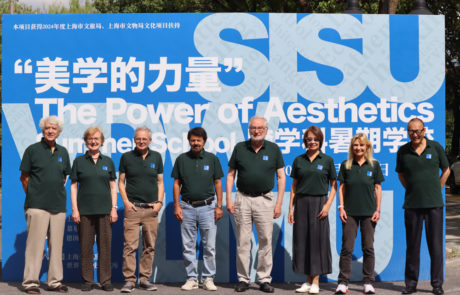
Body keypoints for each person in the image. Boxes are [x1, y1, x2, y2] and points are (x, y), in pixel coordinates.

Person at [226, 116, 286, 293]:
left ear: (266, 130)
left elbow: (281, 177)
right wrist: (229, 199)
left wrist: (279, 203)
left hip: (265, 200)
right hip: (242, 199)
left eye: (260, 128)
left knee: (265, 240)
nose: (256, 131)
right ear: (249, 129)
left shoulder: (273, 149)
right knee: (243, 242)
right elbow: (230, 175)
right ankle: (243, 279)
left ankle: (263, 279)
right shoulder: (240, 148)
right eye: (253, 128)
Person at [396, 118, 450, 295]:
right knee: (412, 246)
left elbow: (447, 170)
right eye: (411, 131)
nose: (415, 134)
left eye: (418, 131)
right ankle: (410, 284)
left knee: (435, 246)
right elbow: (401, 175)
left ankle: (436, 284)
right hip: (412, 205)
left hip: (434, 204)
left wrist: (438, 187)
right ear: (408, 132)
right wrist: (412, 189)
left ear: (424, 131)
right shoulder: (403, 151)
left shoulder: (435, 147)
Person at [20, 116, 71, 294]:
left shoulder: (63, 152)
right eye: (48, 128)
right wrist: (34, 195)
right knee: (35, 247)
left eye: (54, 128)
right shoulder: (32, 150)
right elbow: (24, 177)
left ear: (59, 131)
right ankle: (31, 283)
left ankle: (55, 282)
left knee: (56, 247)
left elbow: (64, 177)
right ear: (43, 130)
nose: (51, 131)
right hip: (37, 206)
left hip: (58, 206)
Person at [172, 127, 224, 291]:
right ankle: (192, 278)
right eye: (193, 140)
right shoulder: (181, 159)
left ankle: (208, 278)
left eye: (198, 140)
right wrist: (176, 205)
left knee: (209, 246)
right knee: (188, 245)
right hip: (186, 207)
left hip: (208, 207)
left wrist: (219, 206)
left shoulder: (212, 159)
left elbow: (218, 183)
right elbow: (176, 183)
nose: (195, 143)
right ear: (189, 141)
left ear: (204, 142)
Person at [288, 126, 337, 294]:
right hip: (301, 203)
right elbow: (294, 186)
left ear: (320, 141)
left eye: (315, 139)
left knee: (317, 242)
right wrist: (290, 209)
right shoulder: (298, 160)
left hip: (319, 203)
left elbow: (334, 186)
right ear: (305, 141)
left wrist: (327, 205)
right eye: (309, 139)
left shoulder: (327, 160)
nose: (312, 142)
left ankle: (316, 281)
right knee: (302, 241)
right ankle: (307, 281)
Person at [70, 127, 118, 292]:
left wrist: (114, 208)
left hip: (105, 211)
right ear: (86, 141)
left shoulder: (108, 161)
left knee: (105, 247)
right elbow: (74, 187)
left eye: (97, 138)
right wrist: (75, 209)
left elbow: (113, 187)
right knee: (86, 247)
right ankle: (88, 280)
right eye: (90, 138)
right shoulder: (79, 161)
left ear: (102, 141)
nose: (93, 141)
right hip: (84, 212)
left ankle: (105, 281)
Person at [336, 133, 384, 295]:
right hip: (349, 213)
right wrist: (341, 207)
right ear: (352, 147)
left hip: (369, 213)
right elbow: (341, 187)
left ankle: (368, 283)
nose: (358, 148)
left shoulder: (374, 165)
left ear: (367, 147)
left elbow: (377, 188)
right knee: (347, 248)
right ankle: (343, 282)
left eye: (362, 145)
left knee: (368, 248)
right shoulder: (346, 165)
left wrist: (377, 209)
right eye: (356, 145)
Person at [119, 127, 164, 293]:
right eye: (138, 138)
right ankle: (129, 281)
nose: (141, 141)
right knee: (129, 246)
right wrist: (126, 201)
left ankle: (144, 279)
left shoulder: (157, 157)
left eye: (144, 139)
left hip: (151, 209)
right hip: (133, 209)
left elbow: (160, 182)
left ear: (150, 140)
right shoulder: (127, 157)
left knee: (149, 246)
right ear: (134, 140)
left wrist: (159, 202)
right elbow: (121, 182)